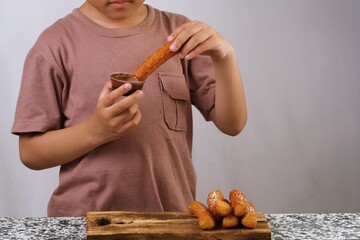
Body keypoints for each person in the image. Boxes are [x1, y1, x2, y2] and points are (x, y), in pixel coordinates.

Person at [11, 0, 247, 217]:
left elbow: (232, 124)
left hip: (171, 220)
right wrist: (95, 131)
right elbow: (31, 152)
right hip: (83, 223)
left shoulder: (180, 35)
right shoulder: (53, 46)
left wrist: (224, 57)